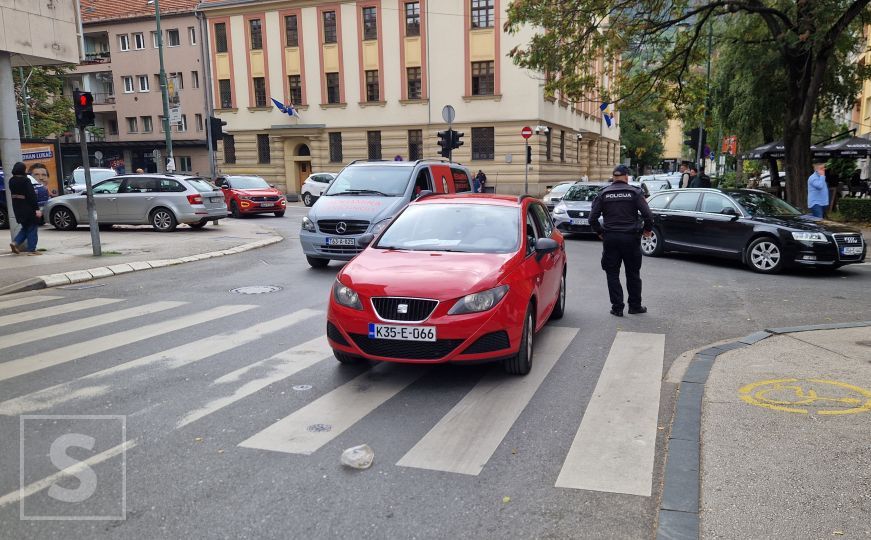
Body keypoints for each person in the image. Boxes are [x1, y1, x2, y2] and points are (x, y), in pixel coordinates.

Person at [589, 164, 654, 317]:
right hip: (631, 238)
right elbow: (648, 216)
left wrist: (600, 232)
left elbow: (592, 218)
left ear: (613, 177)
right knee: (633, 273)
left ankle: (617, 308)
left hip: (610, 238)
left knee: (612, 273)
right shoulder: (635, 192)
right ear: (626, 177)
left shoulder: (603, 194)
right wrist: (647, 230)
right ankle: (634, 306)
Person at [8, 162, 42, 255]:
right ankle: (32, 250)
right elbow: (31, 195)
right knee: (32, 228)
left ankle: (15, 242)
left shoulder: (11, 180)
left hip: (17, 207)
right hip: (28, 208)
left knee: (26, 228)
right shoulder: (25, 180)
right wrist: (37, 209)